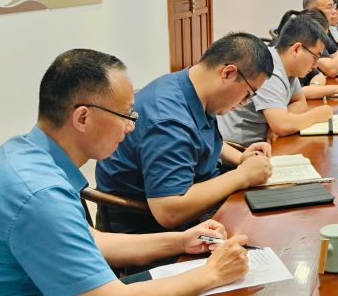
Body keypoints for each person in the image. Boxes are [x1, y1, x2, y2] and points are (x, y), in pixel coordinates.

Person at [0, 49, 250, 294]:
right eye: (125, 115)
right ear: (82, 118)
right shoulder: (40, 194)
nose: (130, 127)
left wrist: (180, 242)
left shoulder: (21, 152)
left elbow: (88, 240)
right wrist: (212, 273)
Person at [95, 33, 275, 234]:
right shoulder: (168, 121)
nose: (244, 102)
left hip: (194, 193)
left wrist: (241, 159)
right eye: (248, 94)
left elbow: (197, 139)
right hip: (149, 227)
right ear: (228, 73)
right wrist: (242, 175)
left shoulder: (190, 84)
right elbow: (169, 211)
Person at [219, 16, 335, 141]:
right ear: (296, 49)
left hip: (267, 144)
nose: (316, 65)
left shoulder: (287, 65)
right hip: (243, 148)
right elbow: (282, 126)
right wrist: (318, 115)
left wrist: (280, 121)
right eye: (315, 57)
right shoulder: (268, 68)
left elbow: (300, 102)